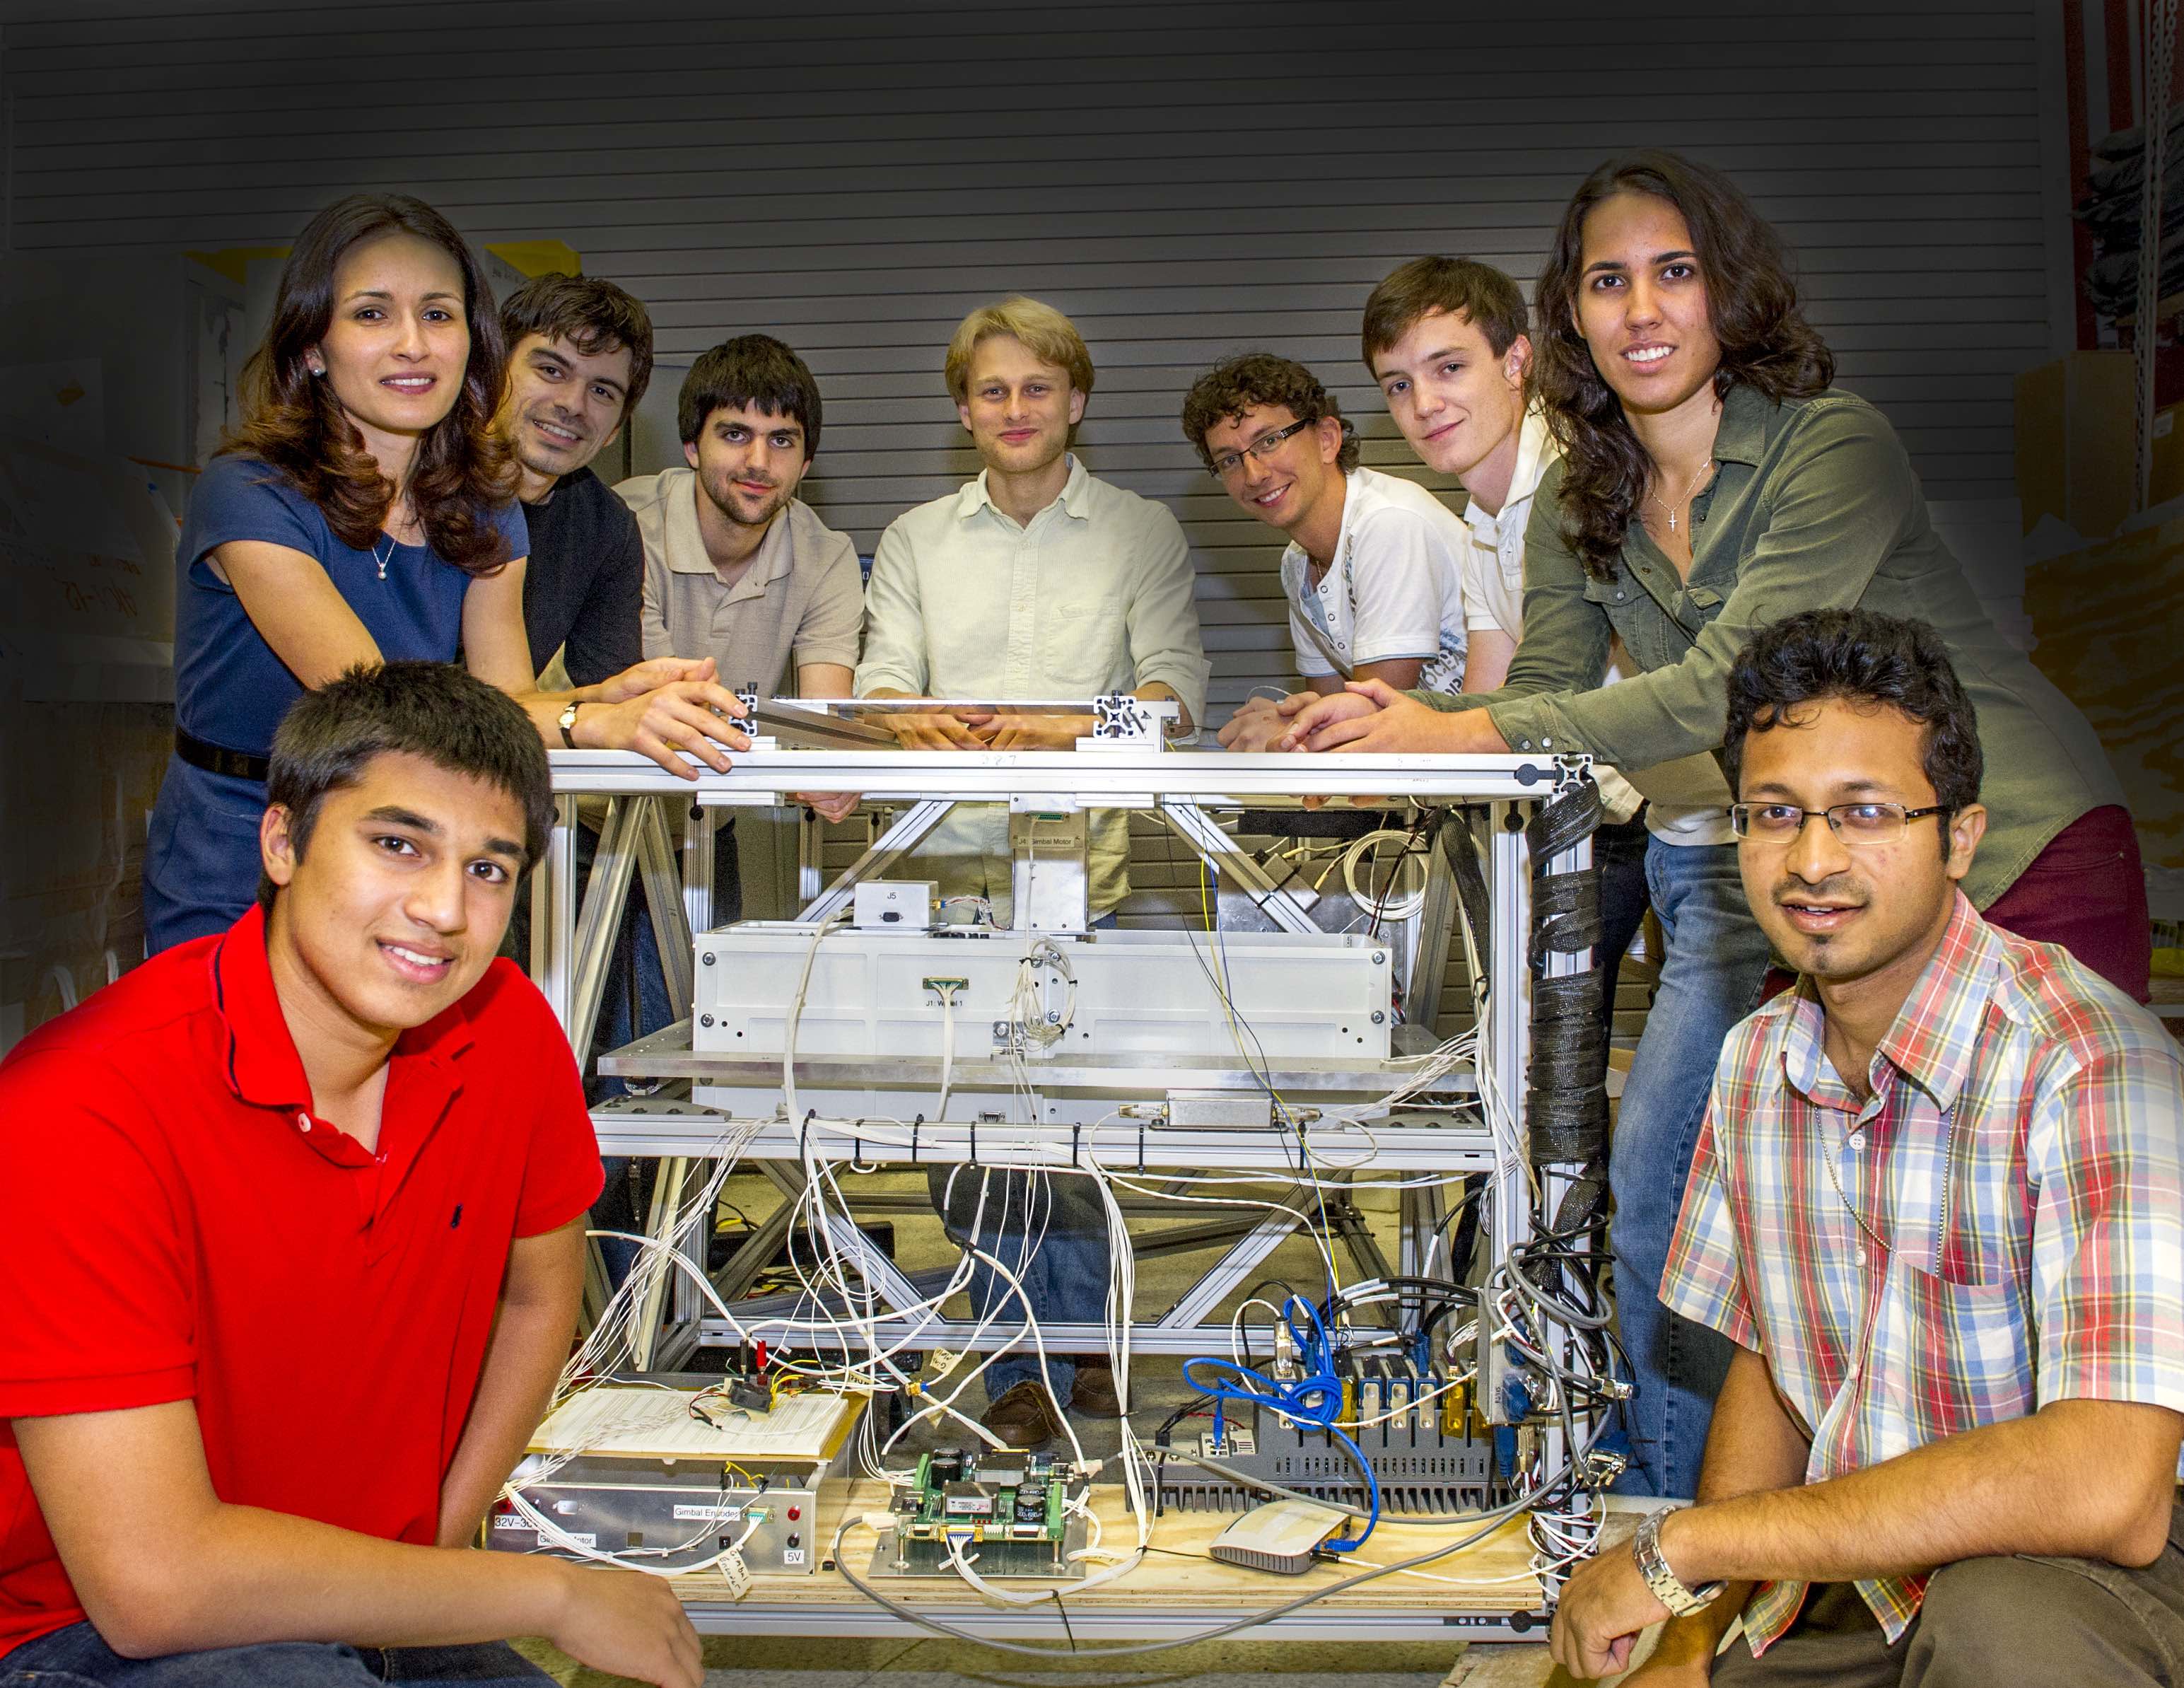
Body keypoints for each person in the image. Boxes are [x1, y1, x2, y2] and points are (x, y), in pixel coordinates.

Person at [1278, 153, 2144, 1496]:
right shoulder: (1590, 503)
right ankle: (1716, 1544)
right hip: (1806, 873)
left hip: (2007, 845)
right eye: (1605, 280)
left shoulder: (1831, 443)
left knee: (2006, 1238)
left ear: (1726, 294)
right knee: (1734, 1214)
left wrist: (1445, 727)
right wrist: (1353, 715)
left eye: (1671, 272)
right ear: (1569, 318)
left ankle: (2035, 1553)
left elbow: (1734, 676)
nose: (1639, 310)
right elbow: (1551, 697)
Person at [0, 663, 701, 1688]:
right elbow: (152, 1583)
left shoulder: (506, 1031)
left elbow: (539, 1288)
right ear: (281, 840)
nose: (443, 909)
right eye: (398, 843)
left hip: (371, 1591)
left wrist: (438, 1546)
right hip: (90, 1635)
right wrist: (548, 1590)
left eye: (489, 869)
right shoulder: (80, 1103)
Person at [1551, 608, 2184, 1688]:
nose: (1812, 860)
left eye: (1865, 812)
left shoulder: (2085, 1061)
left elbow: (2110, 1489)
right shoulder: (1757, 1061)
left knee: (2000, 1625)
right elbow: (1772, 1368)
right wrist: (1694, 1631)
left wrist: (1683, 1549)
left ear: (1961, 837)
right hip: (1867, 1568)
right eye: (1774, 813)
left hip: (2105, 1575)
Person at [1353, 253, 1771, 1498]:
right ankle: (1613, 1444)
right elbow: (1508, 701)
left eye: (1448, 367)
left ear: (1517, 358)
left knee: (1648, 1194)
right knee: (1565, 1165)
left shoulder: (1578, 481)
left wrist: (1400, 722)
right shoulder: (1495, 517)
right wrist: (1366, 720)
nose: (1425, 403)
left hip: (1725, 852)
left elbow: (1570, 706)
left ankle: (1662, 1514)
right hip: (1646, 832)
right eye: (1397, 384)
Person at [145, 192, 749, 954]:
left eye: (437, 315)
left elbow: (502, 705)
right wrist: (583, 718)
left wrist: (596, 698)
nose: (412, 345)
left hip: (401, 837)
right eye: (371, 314)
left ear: (472, 343)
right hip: (238, 839)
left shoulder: (483, 505)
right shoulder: (249, 491)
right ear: (312, 347)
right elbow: (373, 701)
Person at [855, 296, 1209, 1447]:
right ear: (963, 409)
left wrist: (1064, 727)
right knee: (969, 1139)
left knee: (1065, 1134)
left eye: (1037, 387)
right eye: (992, 389)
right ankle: (1019, 1363)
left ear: (1076, 401)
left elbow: (1171, 693)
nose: (1015, 409)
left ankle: (1081, 1353)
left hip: (1077, 879)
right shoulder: (912, 539)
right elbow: (874, 689)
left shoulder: (1140, 530)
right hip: (945, 881)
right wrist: (911, 723)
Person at [617, 332, 865, 851]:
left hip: (708, 824)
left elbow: (825, 724)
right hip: (589, 820)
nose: (758, 461)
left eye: (781, 440)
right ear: (691, 445)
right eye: (734, 434)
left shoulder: (826, 556)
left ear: (806, 462)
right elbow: (666, 709)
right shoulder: (623, 526)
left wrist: (832, 767)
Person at [1181, 351, 1468, 751]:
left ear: (1326, 439)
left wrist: (1287, 730)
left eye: (1268, 441)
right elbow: (1330, 706)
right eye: (1229, 460)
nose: (1254, 474)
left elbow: (1370, 721)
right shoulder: (1298, 563)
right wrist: (1296, 723)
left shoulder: (1387, 524)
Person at [498, 271, 653, 689]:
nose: (572, 404)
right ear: (494, 370)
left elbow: (610, 687)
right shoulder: (412, 485)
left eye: (602, 391)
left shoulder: (607, 528)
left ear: (616, 430)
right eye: (551, 370)